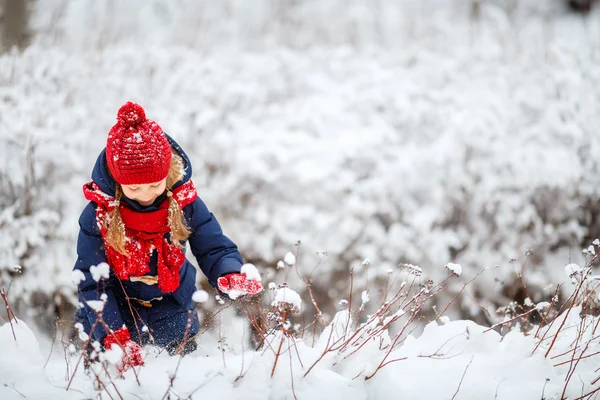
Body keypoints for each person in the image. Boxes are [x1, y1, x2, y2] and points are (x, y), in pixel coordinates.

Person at [73, 101, 262, 372]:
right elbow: (91, 281)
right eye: (135, 188)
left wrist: (228, 273)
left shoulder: (184, 203)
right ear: (117, 181)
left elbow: (213, 247)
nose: (147, 194)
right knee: (118, 382)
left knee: (175, 378)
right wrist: (114, 336)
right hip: (115, 312)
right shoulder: (99, 215)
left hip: (171, 308)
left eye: (154, 184)